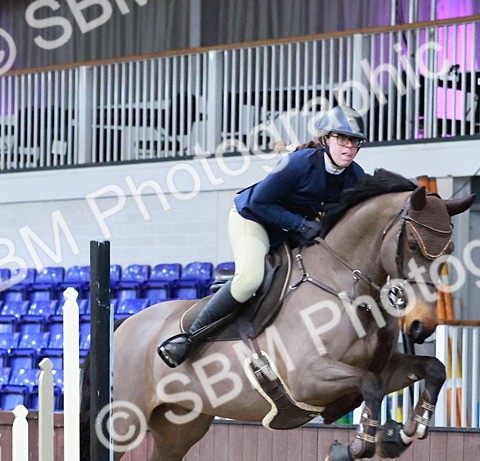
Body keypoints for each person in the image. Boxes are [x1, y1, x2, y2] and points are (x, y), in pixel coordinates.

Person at [156, 107, 368, 367]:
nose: (348, 147)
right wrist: (300, 224)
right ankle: (189, 338)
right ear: (326, 139)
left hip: (290, 232)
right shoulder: (299, 163)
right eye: (342, 139)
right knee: (249, 280)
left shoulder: (355, 176)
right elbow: (259, 202)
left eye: (355, 141)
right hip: (253, 219)